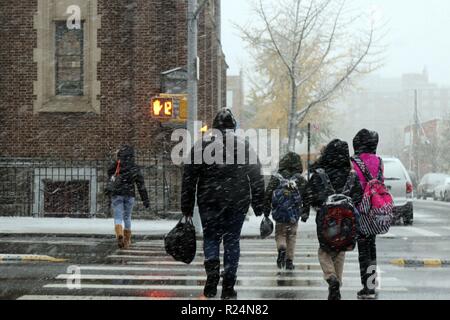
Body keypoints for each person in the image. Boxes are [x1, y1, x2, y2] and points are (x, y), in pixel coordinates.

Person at [181, 109, 265, 300]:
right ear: (233, 127)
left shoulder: (201, 146)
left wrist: (186, 207)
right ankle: (229, 284)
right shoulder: (244, 146)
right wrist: (259, 204)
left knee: (211, 238)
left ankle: (212, 271)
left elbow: (189, 178)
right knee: (232, 240)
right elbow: (256, 176)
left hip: (209, 200)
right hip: (237, 201)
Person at [305, 139, 362, 300]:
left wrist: (317, 204)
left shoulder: (320, 174)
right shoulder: (351, 175)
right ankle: (337, 283)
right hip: (345, 222)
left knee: (324, 250)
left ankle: (331, 279)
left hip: (326, 221)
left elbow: (309, 194)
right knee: (340, 250)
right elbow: (358, 196)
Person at [263, 152, 309, 270]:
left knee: (280, 234)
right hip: (294, 213)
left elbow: (268, 194)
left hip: (280, 212)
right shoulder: (300, 179)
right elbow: (307, 196)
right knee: (292, 235)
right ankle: (289, 261)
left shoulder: (277, 177)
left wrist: (266, 210)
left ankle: (282, 248)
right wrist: (305, 212)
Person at [351, 129, 382, 300]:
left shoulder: (354, 161)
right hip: (375, 209)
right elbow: (380, 182)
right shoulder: (379, 161)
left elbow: (353, 185)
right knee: (372, 247)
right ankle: (371, 282)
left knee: (363, 249)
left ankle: (366, 286)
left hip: (360, 209)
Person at [107, 145, 149, 249]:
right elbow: (141, 185)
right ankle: (127, 240)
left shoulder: (117, 165)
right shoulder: (135, 168)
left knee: (118, 217)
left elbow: (109, 172)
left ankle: (119, 234)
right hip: (130, 195)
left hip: (117, 194)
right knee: (127, 217)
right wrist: (145, 199)